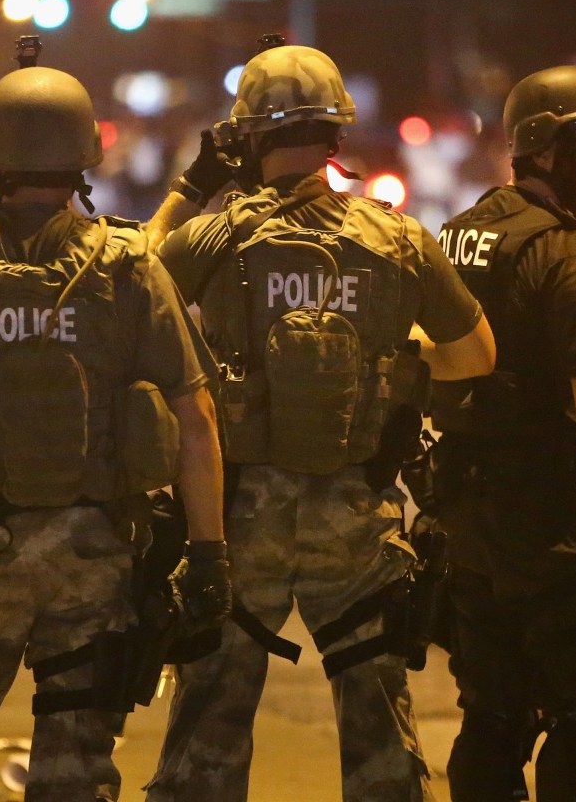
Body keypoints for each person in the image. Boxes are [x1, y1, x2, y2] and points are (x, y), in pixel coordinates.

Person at [0, 61, 228, 802]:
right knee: (76, 764)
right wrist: (209, 551)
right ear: (83, 158)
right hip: (93, 556)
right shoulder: (128, 266)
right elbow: (197, 415)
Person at [143, 44, 495, 802]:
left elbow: (125, 288)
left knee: (206, 739)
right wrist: (395, 358)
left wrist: (190, 187)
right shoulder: (398, 238)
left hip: (240, 522)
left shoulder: (215, 237)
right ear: (338, 137)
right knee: (382, 751)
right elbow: (475, 355)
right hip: (356, 518)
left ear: (246, 140)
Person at [429, 65, 576, 802]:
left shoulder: (464, 231)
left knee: (491, 719)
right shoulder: (569, 252)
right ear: (544, 150)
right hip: (555, 531)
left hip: (470, 523)